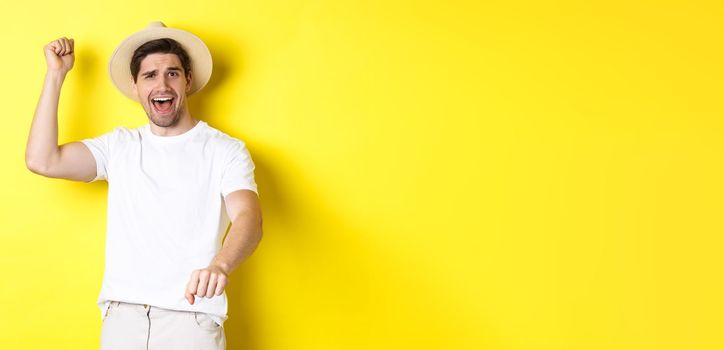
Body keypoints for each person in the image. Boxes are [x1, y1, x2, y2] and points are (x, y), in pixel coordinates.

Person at [25, 22, 263, 350]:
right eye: (149, 75)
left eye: (172, 73)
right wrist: (56, 75)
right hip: (123, 320)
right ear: (135, 87)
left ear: (187, 80)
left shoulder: (224, 149)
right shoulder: (119, 146)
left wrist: (220, 264)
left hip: (191, 318)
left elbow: (249, 217)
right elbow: (42, 160)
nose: (161, 83)